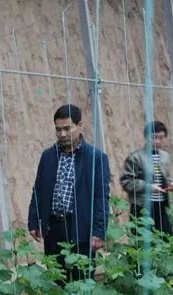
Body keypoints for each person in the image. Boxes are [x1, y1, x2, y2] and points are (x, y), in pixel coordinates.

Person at [27, 104, 111, 279]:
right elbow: (38, 189)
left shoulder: (95, 157)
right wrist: (34, 221)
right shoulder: (48, 156)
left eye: (67, 128)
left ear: (79, 125)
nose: (62, 134)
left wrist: (98, 231)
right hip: (53, 228)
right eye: (58, 130)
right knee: (57, 280)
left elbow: (101, 197)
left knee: (82, 280)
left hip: (81, 228)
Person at [120, 120, 173, 235]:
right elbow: (126, 182)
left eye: (161, 138)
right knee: (141, 242)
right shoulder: (135, 157)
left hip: (160, 205)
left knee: (167, 239)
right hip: (141, 207)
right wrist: (148, 187)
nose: (157, 141)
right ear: (146, 137)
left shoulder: (165, 156)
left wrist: (170, 184)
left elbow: (165, 177)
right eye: (154, 137)